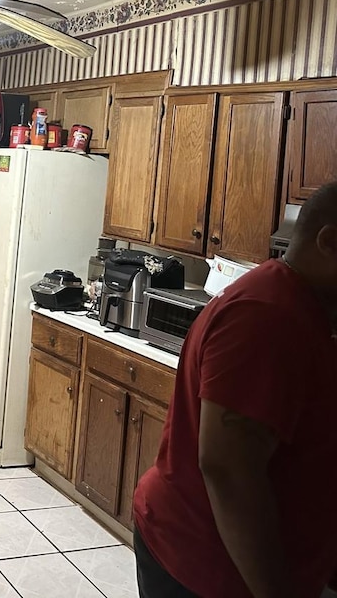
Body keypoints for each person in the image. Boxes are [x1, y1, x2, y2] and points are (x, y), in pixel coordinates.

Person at [133, 181, 337, 598]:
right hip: (208, 567)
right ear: (330, 242)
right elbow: (228, 469)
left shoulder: (293, 305)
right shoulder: (269, 317)